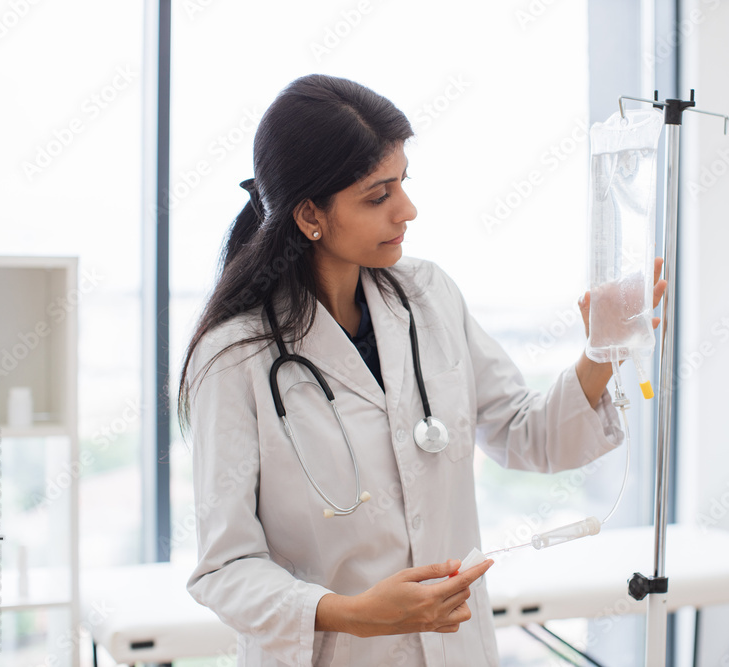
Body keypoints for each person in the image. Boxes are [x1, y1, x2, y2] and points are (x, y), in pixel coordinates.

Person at [178, 74, 665, 667]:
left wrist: (600, 351)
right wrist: (352, 614)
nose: (408, 210)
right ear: (310, 215)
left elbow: (524, 433)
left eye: (403, 184)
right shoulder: (236, 356)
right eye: (378, 196)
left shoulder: (429, 296)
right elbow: (225, 567)